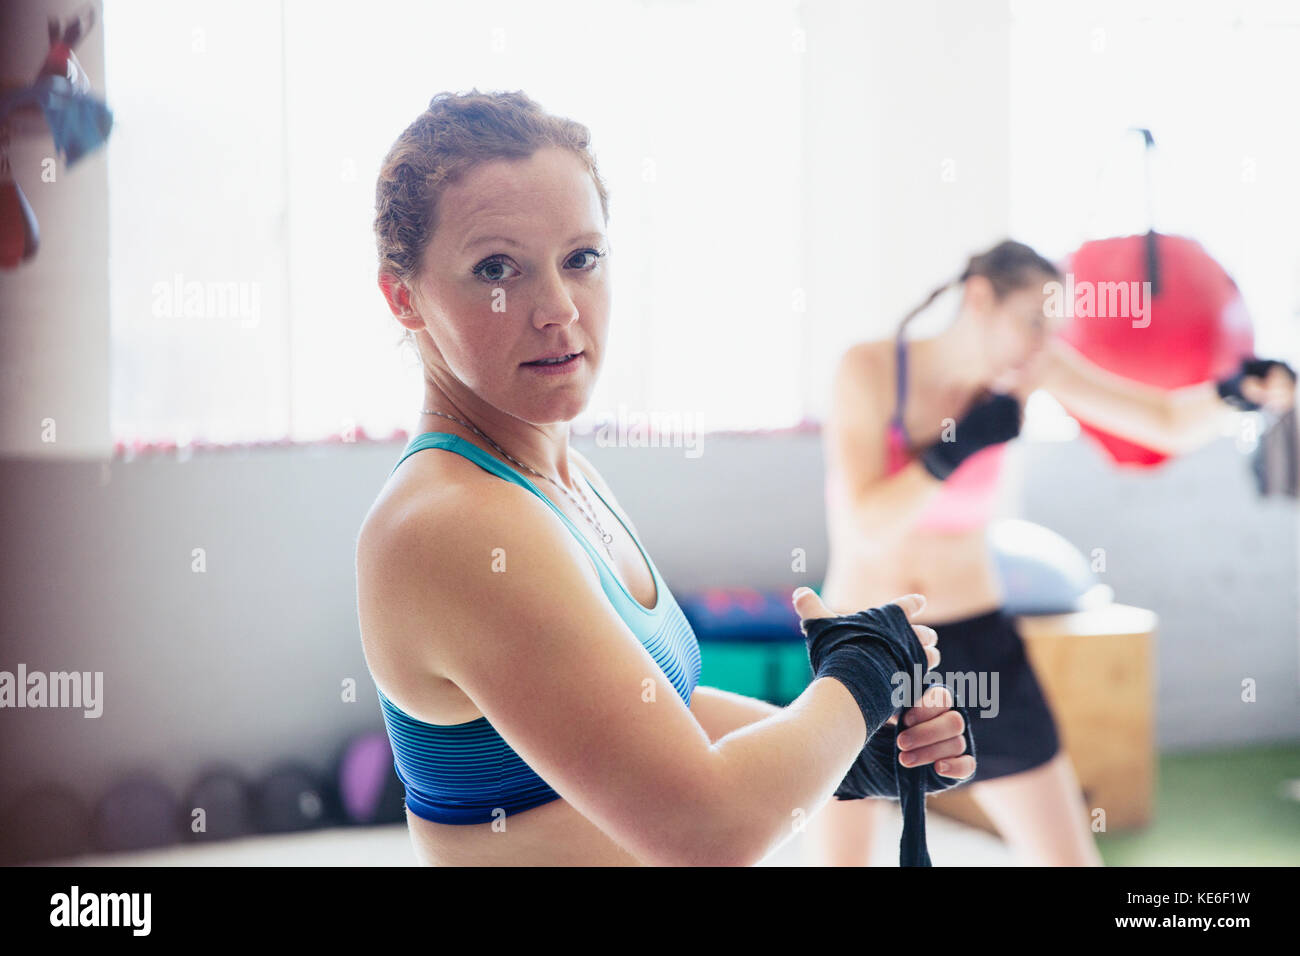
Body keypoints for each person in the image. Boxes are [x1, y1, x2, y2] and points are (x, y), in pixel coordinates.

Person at [354, 89, 975, 867]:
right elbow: (707, 833)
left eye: (581, 258)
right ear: (403, 296)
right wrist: (857, 679)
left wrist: (848, 757)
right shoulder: (451, 525)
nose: (557, 309)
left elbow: (658, 716)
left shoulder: (563, 478)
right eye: (496, 269)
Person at [810, 239, 1296, 866]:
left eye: (1053, 328)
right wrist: (951, 453)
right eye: (1032, 322)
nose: (1041, 344)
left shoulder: (1029, 370)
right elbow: (866, 521)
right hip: (867, 644)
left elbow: (1162, 420)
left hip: (977, 643)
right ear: (980, 298)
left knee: (1069, 861)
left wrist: (1236, 393)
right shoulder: (869, 370)